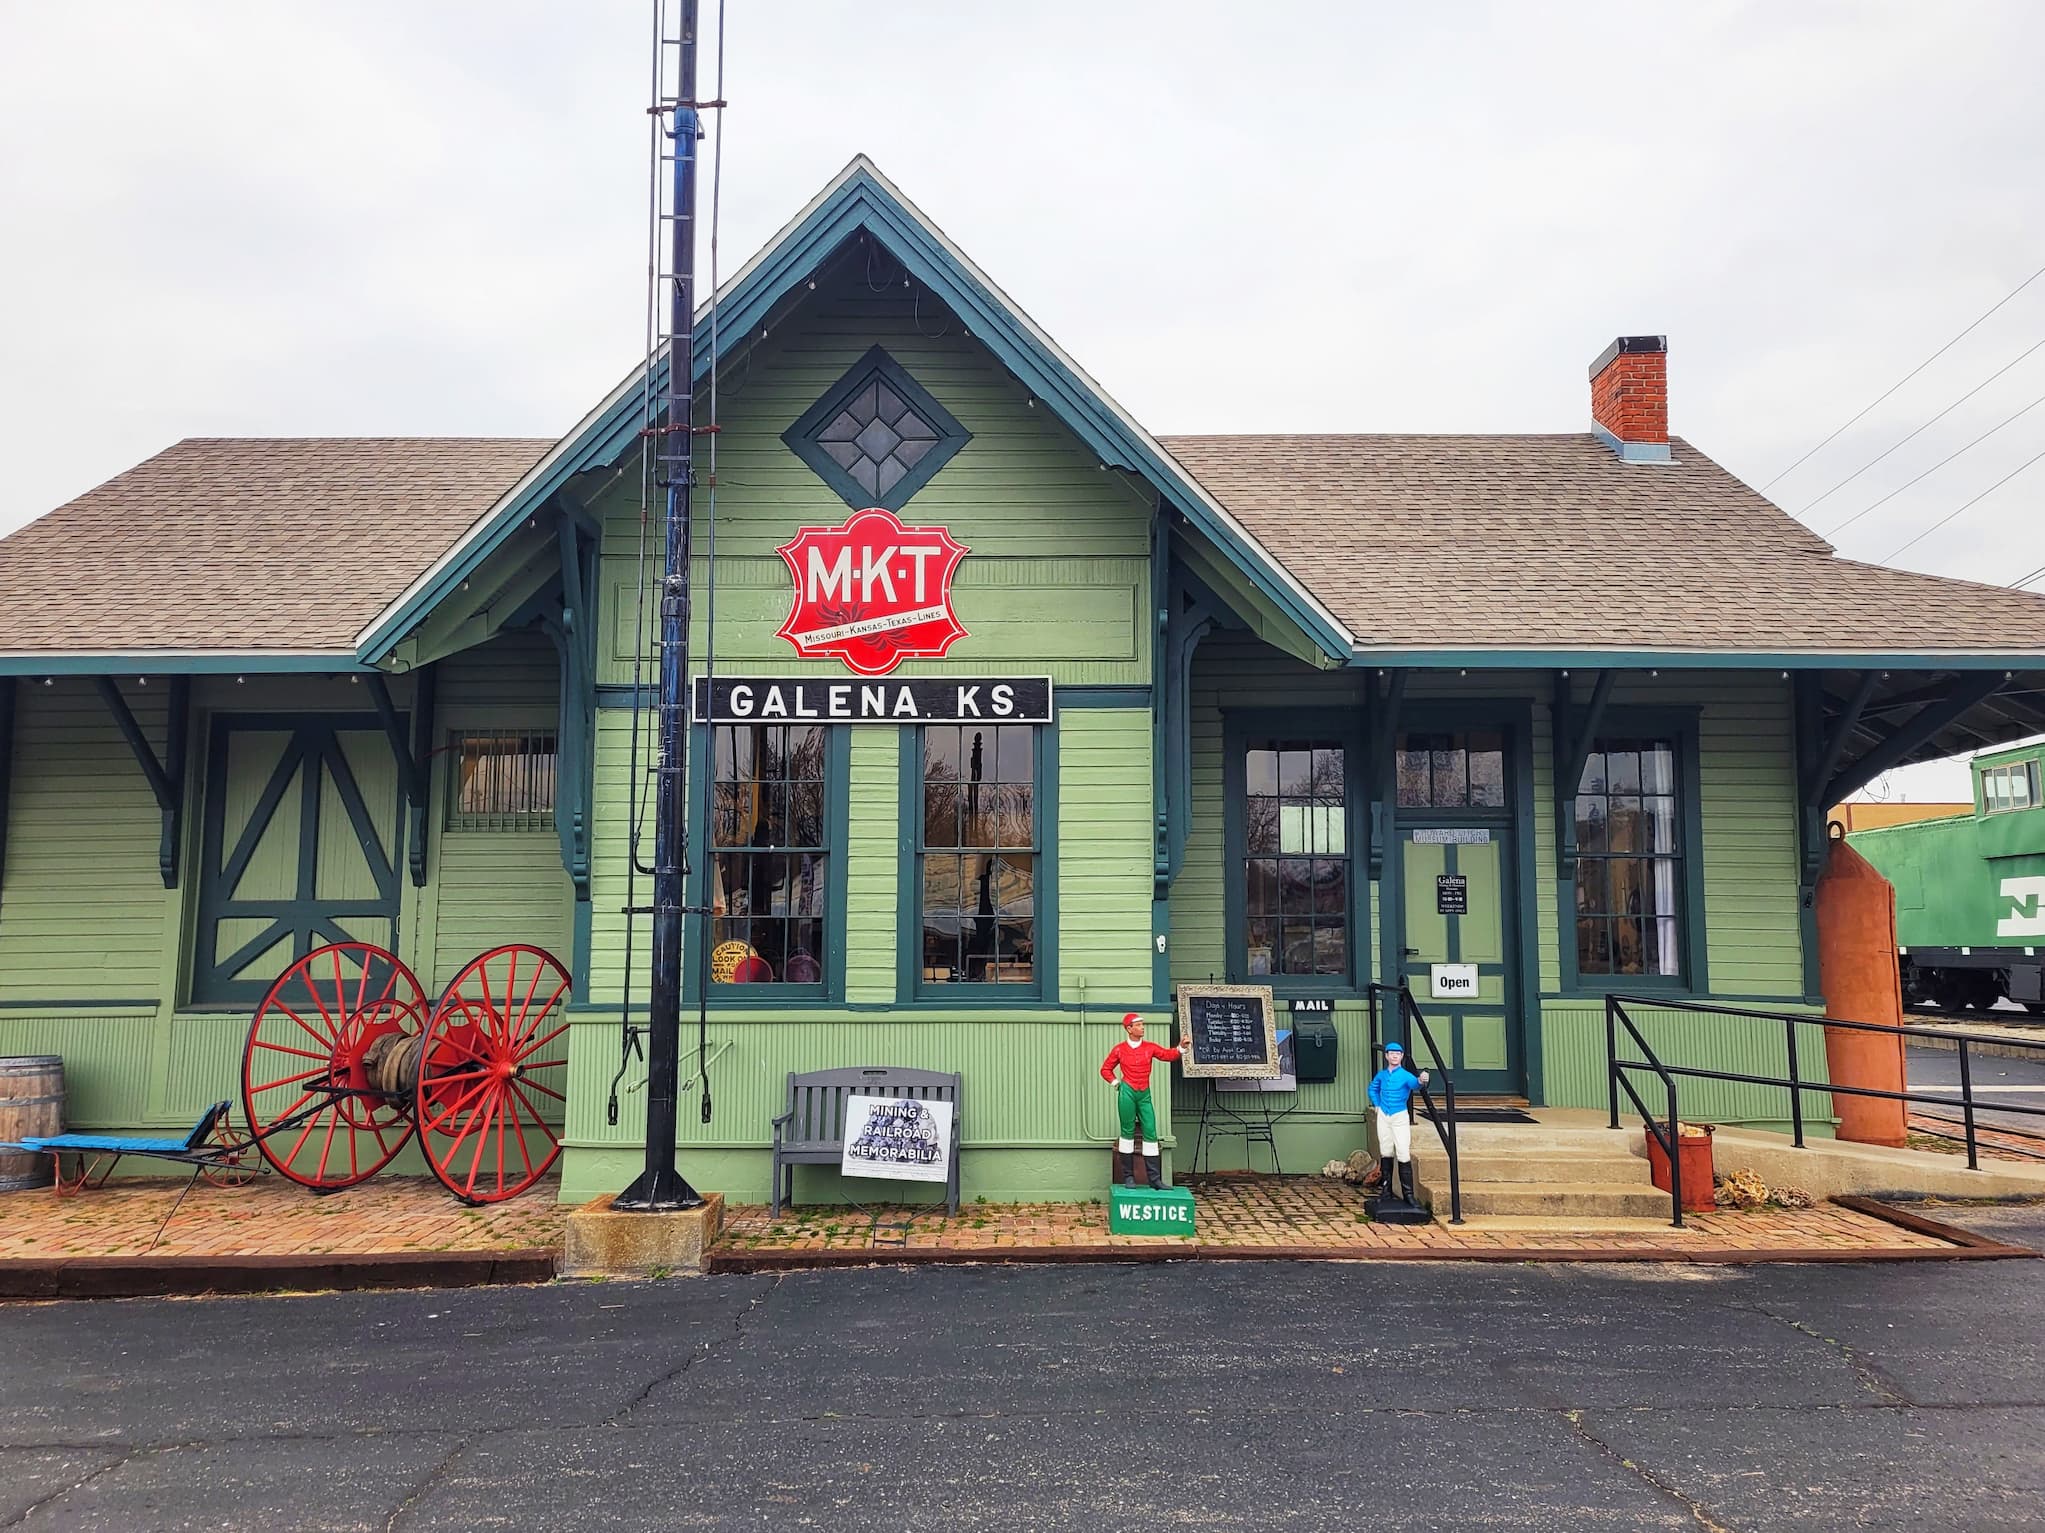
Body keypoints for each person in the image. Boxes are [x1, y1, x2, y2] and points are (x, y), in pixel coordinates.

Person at [1100, 1011, 1182, 1190]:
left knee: (1151, 1131)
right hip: (1127, 1092)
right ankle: (1128, 1177)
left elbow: (1167, 1055)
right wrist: (1117, 1084)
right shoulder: (1119, 1049)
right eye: (1138, 1025)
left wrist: (1181, 1048)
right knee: (1127, 1132)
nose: (1142, 1027)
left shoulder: (1149, 1047)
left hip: (1144, 1093)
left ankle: (1154, 1179)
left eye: (1142, 1024)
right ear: (1129, 1029)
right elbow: (1105, 1069)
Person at [1367, 1042, 1430, 1206]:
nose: (1394, 1056)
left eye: (1398, 1054)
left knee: (1402, 1151)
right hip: (1384, 1115)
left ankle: (1408, 1194)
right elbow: (1372, 1088)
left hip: (1399, 1115)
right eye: (1391, 1053)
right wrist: (1377, 1104)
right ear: (1387, 1056)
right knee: (1386, 1150)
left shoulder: (1405, 1075)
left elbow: (1415, 1084)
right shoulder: (1381, 1075)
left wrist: (1422, 1080)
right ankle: (1386, 1190)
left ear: (1402, 1056)